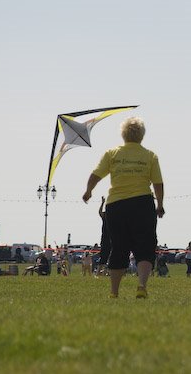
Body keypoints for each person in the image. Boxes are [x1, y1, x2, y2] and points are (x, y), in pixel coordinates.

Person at [82, 117, 164, 299]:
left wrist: (88, 191)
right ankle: (141, 285)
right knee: (145, 246)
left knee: (118, 247)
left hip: (116, 205)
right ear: (142, 135)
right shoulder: (150, 156)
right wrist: (160, 204)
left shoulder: (112, 153)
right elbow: (158, 183)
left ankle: (114, 292)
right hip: (142, 203)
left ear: (123, 134)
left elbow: (95, 175)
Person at [97, 196, 111, 276]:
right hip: (105, 239)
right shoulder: (105, 215)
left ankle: (106, 272)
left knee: (110, 257)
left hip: (112, 239)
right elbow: (100, 212)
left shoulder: (114, 215)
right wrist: (102, 203)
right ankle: (99, 272)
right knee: (103, 257)